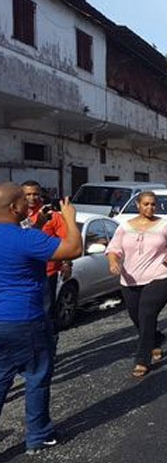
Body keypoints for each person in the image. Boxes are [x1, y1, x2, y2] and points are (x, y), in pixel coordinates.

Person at [0, 183, 82, 455]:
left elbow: (19, 248)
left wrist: (42, 223)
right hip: (26, 319)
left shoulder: (25, 236)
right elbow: (72, 249)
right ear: (14, 208)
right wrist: (69, 218)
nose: (30, 205)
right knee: (37, 376)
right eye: (24, 201)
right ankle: (38, 436)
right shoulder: (25, 239)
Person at [106, 192, 167, 377]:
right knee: (136, 316)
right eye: (146, 204)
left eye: (153, 205)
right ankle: (155, 338)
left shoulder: (164, 225)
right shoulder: (125, 227)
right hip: (130, 278)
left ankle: (142, 359)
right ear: (138, 205)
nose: (150, 208)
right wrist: (113, 262)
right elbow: (113, 249)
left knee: (147, 312)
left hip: (160, 276)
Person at [20, 181, 72, 334]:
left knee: (45, 313)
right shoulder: (15, 215)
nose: (32, 198)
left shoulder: (52, 216)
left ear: (41, 195)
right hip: (21, 273)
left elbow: (66, 240)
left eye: (35, 194)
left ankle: (48, 351)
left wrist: (67, 263)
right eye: (28, 194)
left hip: (47, 273)